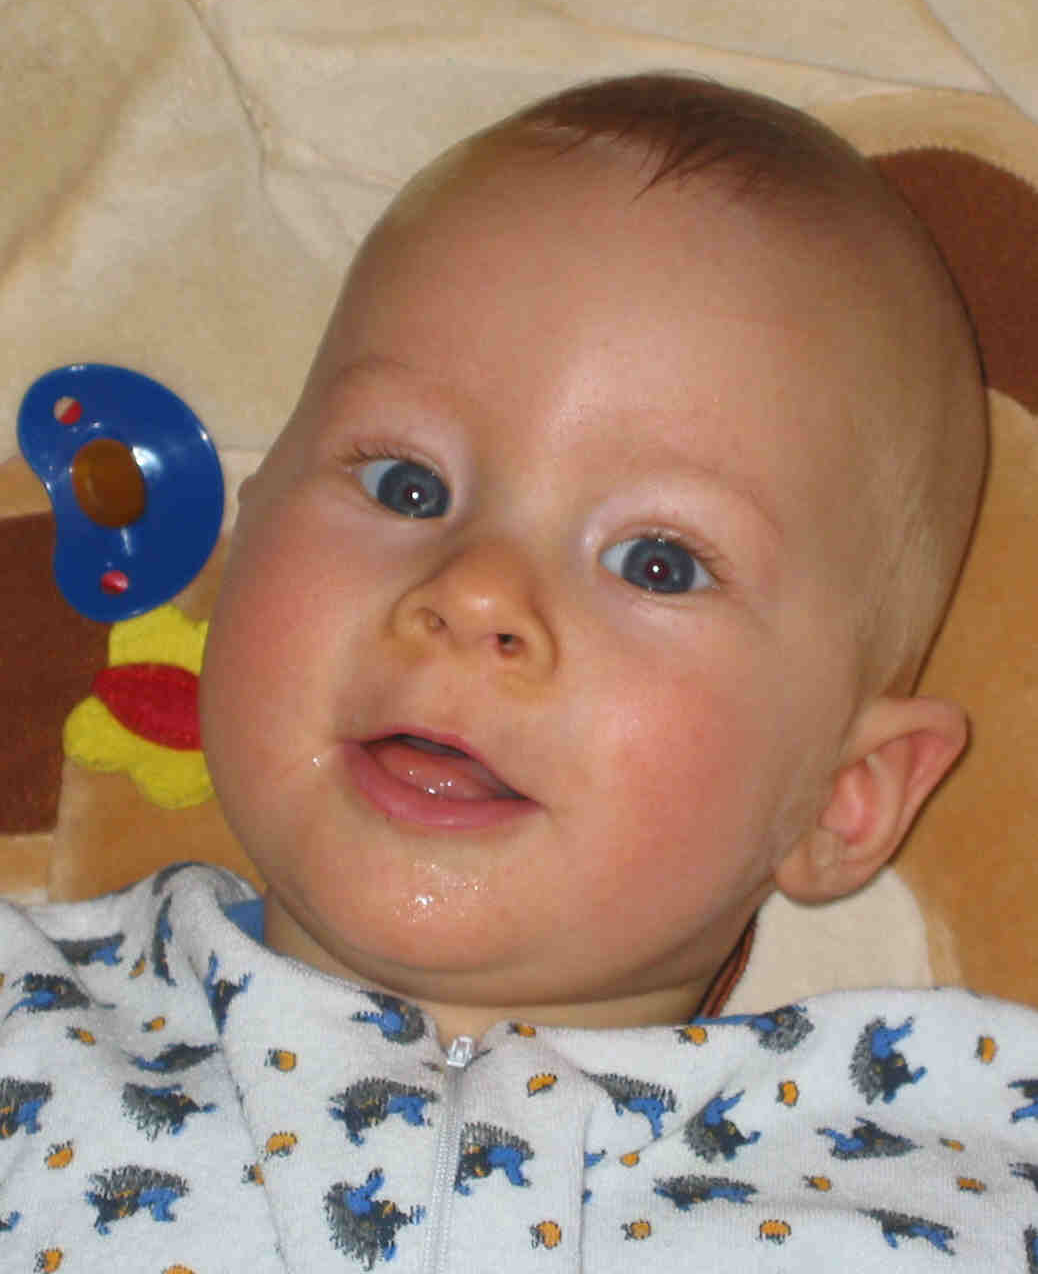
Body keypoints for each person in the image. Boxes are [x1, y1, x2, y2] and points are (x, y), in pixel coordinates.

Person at [2, 74, 1033, 1271]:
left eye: (656, 562)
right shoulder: (31, 1026)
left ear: (841, 798)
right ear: (251, 525)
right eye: (407, 485)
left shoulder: (956, 1176)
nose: (479, 589)